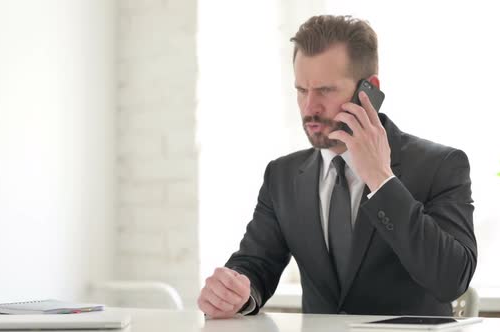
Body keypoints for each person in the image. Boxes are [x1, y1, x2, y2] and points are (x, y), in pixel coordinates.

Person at [197, 14, 477, 318]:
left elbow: (452, 280)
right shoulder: (283, 176)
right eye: (301, 90)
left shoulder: (441, 165)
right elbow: (256, 264)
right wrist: (237, 292)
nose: (309, 107)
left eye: (325, 90)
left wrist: (381, 180)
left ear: (369, 90)